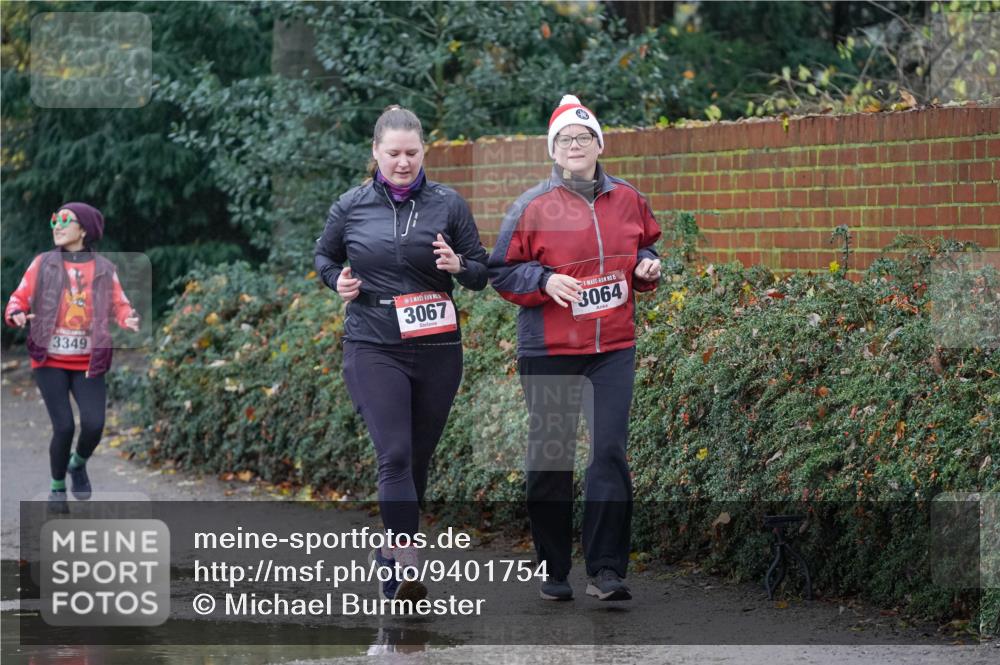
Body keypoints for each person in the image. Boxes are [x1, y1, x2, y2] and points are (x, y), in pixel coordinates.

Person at [488, 95, 662, 602]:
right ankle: (553, 567)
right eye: (565, 139)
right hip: (550, 349)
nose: (575, 146)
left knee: (608, 451)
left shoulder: (628, 198)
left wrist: (647, 267)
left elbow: (644, 246)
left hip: (613, 346)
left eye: (584, 137)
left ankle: (606, 570)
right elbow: (500, 272)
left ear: (599, 144)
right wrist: (543, 281)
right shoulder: (532, 206)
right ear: (554, 151)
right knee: (551, 457)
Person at [314, 105, 488, 602]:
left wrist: (458, 265)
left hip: (436, 349)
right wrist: (338, 281)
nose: (403, 162)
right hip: (373, 343)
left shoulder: (448, 205)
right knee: (393, 454)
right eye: (393, 153)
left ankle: (391, 545)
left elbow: (481, 270)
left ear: (423, 152)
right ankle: (405, 563)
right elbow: (325, 256)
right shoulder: (350, 206)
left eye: (411, 153)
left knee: (416, 461)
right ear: (375, 153)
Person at [4, 202, 140, 513]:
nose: (58, 225)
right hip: (49, 360)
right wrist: (16, 313)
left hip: (89, 362)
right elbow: (18, 298)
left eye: (66, 220)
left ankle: (77, 464)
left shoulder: (104, 268)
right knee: (63, 426)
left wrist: (128, 317)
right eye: (55, 219)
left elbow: (120, 303)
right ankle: (56, 488)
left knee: (94, 424)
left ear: (84, 230)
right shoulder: (43, 264)